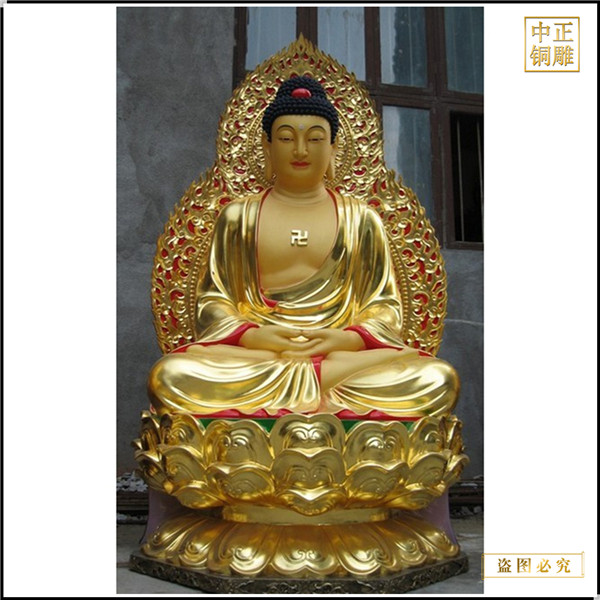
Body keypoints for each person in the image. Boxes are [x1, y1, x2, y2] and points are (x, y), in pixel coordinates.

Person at [148, 76, 459, 418]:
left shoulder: (361, 220)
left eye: (315, 139)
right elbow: (213, 304)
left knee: (438, 379)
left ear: (334, 148)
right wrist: (254, 336)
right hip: (264, 358)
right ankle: (318, 392)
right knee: (170, 376)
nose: (300, 150)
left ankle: (305, 390)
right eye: (286, 138)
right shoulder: (238, 217)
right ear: (266, 147)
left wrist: (347, 339)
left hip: (341, 359)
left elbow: (384, 309)